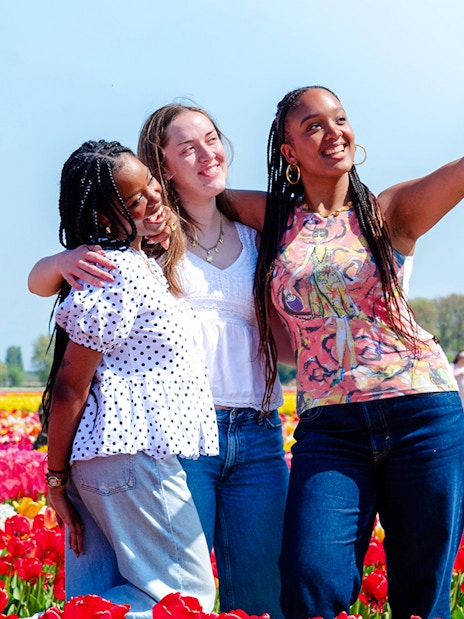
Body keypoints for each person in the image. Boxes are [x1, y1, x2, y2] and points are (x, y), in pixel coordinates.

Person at [28, 105, 290, 619]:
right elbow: (66, 368)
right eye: (186, 147)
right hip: (161, 441)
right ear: (163, 163)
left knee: (116, 593)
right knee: (181, 601)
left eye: (211, 138)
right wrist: (62, 260)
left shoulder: (240, 233)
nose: (206, 152)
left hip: (240, 431)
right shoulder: (131, 260)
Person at [242, 86, 464, 619]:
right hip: (329, 428)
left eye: (339, 119)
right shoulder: (271, 217)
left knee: (420, 596)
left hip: (422, 414)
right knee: (309, 580)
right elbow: (194, 195)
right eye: (312, 125)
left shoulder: (389, 210)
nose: (333, 132)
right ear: (288, 152)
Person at [40, 139, 218, 618]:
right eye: (136, 198)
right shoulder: (119, 271)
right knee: (183, 600)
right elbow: (70, 385)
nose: (155, 197)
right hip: (134, 454)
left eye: (151, 185)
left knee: (97, 598)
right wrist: (53, 476)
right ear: (103, 217)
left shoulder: (131, 266)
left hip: (104, 459)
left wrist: (63, 475)